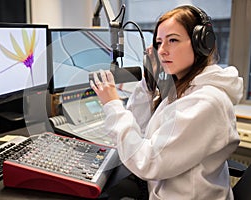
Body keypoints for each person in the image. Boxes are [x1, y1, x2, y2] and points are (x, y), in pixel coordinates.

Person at [90, 5, 243, 200]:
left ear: (201, 43)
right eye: (159, 42)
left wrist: (112, 104)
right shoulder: (185, 89)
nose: (162, 51)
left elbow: (147, 162)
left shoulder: (206, 102)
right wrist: (149, 83)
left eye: (173, 40)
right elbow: (142, 130)